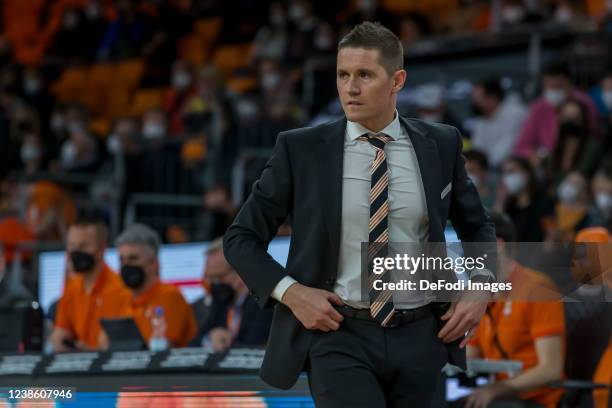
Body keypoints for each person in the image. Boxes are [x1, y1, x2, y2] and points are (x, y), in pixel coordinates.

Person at [223, 22, 496, 407]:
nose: (350, 88)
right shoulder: (301, 150)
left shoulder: (441, 143)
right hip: (339, 334)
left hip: (423, 334)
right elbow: (240, 239)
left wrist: (481, 287)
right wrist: (292, 293)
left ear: (397, 80)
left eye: (364, 75)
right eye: (343, 75)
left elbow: (477, 226)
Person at [466, 211, 565, 408]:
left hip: (534, 399)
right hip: (496, 395)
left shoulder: (537, 289)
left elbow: (551, 369)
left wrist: (495, 390)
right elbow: (470, 358)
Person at [51, 218, 131, 352]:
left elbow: (118, 346)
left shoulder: (120, 289)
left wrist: (89, 351)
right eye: (71, 245)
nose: (76, 251)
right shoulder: (71, 286)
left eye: (83, 246)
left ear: (101, 250)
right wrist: (60, 342)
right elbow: (60, 332)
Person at [115, 223, 196, 348]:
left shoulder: (170, 296)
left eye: (133, 258)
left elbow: (163, 348)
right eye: (122, 260)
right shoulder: (120, 298)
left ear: (153, 263)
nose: (126, 265)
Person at [190, 237, 272, 351]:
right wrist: (208, 338)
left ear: (240, 271)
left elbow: (253, 347)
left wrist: (226, 342)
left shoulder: (264, 303)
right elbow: (194, 344)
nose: (212, 284)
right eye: (209, 277)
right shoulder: (222, 299)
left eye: (218, 277)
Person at [513, 63, 601, 163]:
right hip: (550, 164)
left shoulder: (585, 104)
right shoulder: (538, 108)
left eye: (558, 86)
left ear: (569, 84)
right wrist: (534, 154)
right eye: (549, 86)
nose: (553, 90)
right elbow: (521, 146)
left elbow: (596, 140)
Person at [470, 77, 527, 168]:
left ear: (492, 97)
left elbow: (507, 148)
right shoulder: (480, 120)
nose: (474, 103)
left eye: (478, 99)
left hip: (511, 166)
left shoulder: (515, 113)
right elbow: (477, 150)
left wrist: (482, 166)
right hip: (487, 170)